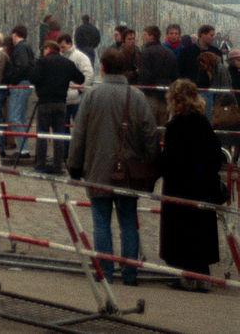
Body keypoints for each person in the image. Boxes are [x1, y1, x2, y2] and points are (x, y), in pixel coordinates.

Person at [68, 48, 158, 286]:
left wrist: (74, 165)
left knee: (100, 221)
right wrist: (151, 163)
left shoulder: (92, 95)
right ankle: (130, 273)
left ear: (103, 68)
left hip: (97, 168)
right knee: (129, 221)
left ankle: (104, 271)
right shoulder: (137, 97)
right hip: (129, 171)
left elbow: (79, 134)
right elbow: (150, 133)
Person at [157, 79, 225, 291]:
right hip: (204, 186)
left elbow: (170, 161)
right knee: (201, 232)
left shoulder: (176, 125)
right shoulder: (202, 122)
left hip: (180, 187)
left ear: (174, 99)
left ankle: (187, 277)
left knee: (182, 233)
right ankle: (203, 277)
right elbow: (216, 156)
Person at [31, 41, 85, 174]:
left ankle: (40, 165)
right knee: (59, 135)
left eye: (44, 49)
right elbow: (80, 78)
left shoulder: (42, 62)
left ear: (48, 49)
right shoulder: (67, 63)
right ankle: (57, 165)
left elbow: (33, 78)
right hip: (61, 103)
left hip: (45, 102)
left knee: (42, 134)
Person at [137, 25, 179, 126]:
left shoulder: (146, 52)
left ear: (152, 37)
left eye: (145, 35)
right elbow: (175, 76)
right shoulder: (169, 53)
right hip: (166, 95)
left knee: (149, 126)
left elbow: (144, 76)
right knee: (163, 126)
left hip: (151, 95)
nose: (143, 38)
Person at [7, 25, 36, 156]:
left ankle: (23, 149)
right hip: (26, 83)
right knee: (21, 117)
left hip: (20, 84)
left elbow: (22, 66)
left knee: (15, 116)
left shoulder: (20, 48)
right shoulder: (27, 46)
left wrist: (13, 79)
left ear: (14, 34)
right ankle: (23, 148)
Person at [57, 33, 94, 124]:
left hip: (77, 99)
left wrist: (80, 90)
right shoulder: (61, 57)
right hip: (65, 98)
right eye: (60, 47)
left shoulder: (80, 57)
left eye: (63, 47)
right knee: (64, 127)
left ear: (70, 44)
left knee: (78, 126)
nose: (61, 50)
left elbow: (89, 74)